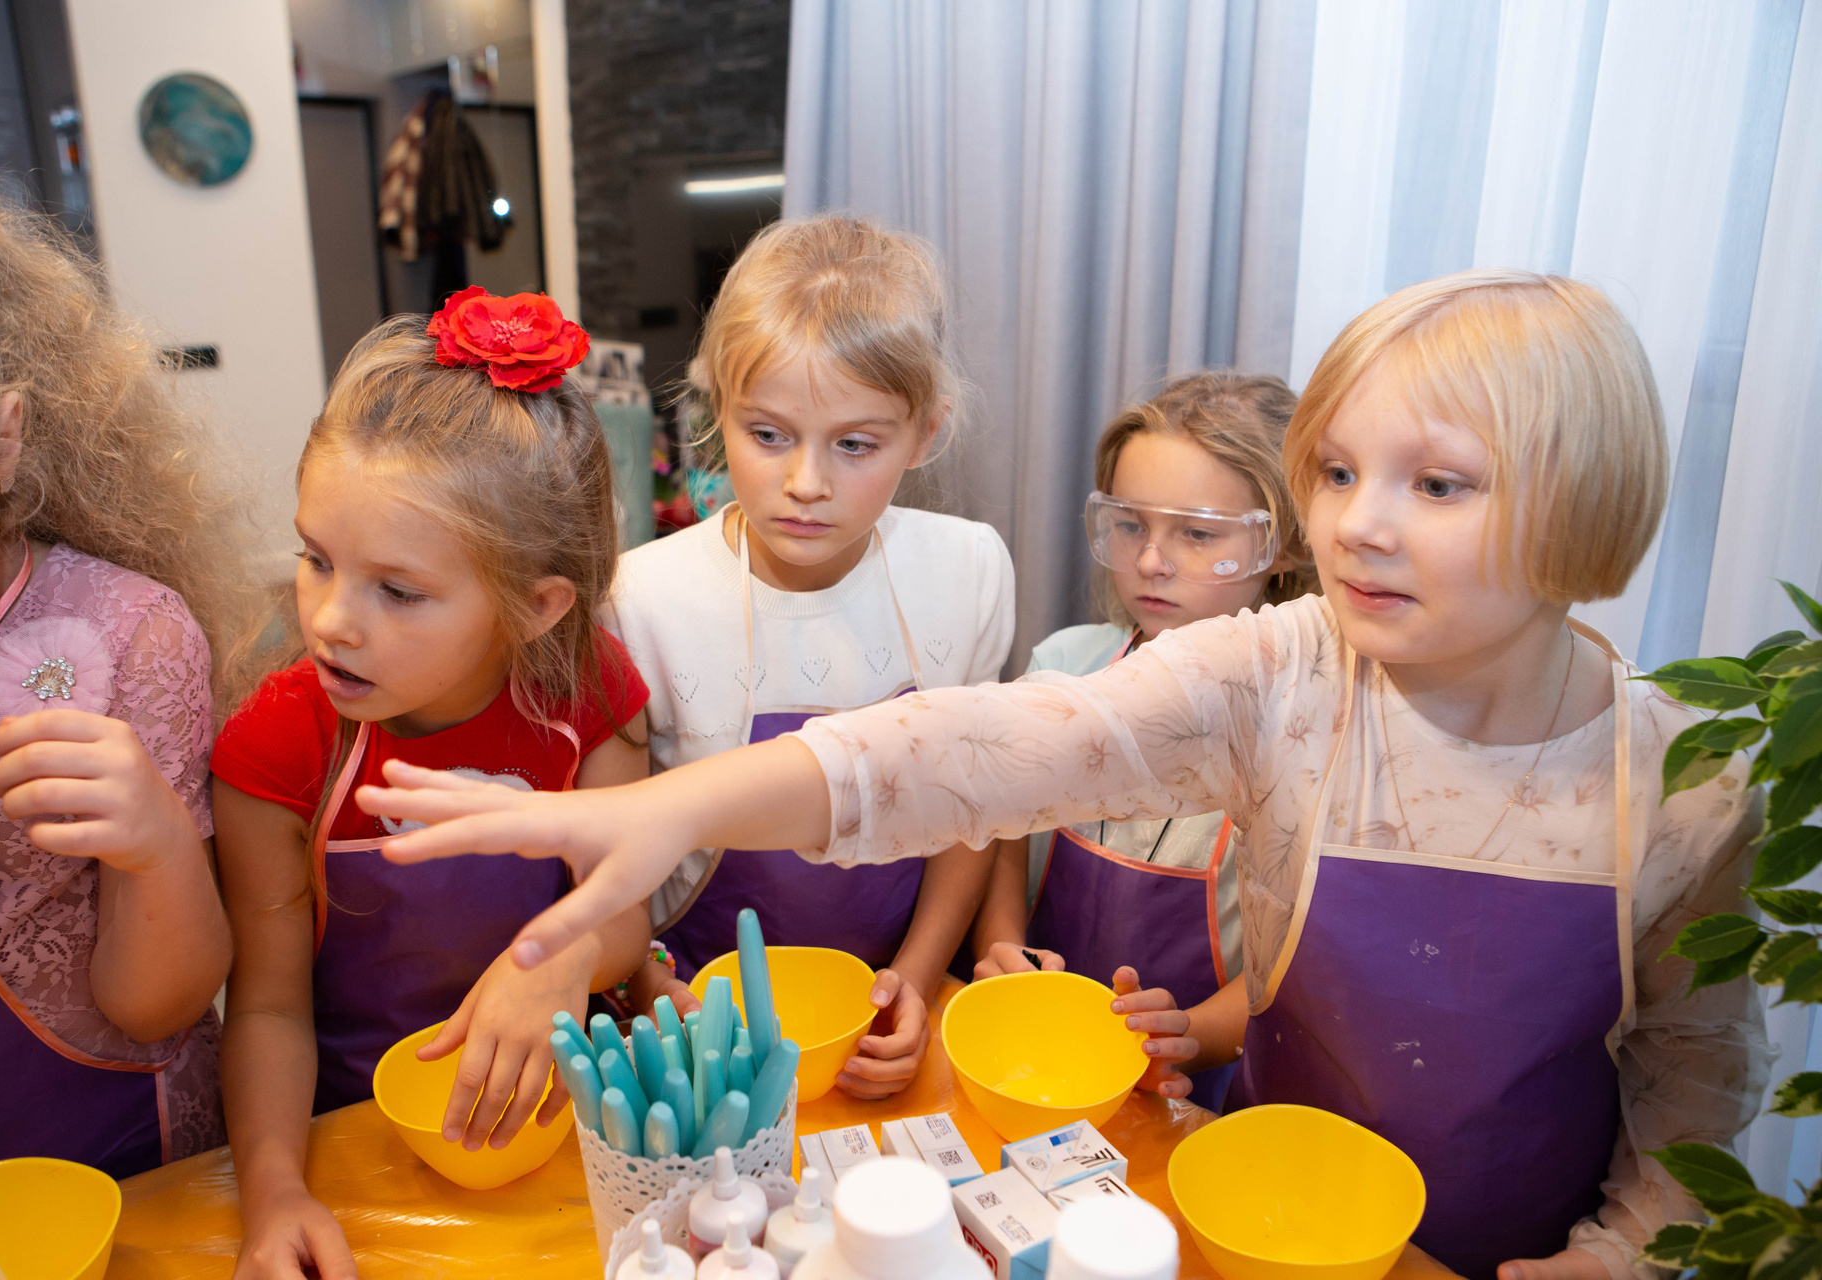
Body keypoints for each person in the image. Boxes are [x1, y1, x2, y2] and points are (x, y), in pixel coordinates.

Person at [361, 270, 1768, 1280]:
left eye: (1436, 484)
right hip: (1260, 1229)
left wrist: (1627, 1252)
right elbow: (984, 747)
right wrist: (673, 802)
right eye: (1337, 473)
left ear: (1583, 501)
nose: (1358, 526)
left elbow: (1696, 1070)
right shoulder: (1281, 675)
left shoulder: (1686, 779)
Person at [210, 291, 653, 1280]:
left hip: (555, 1121)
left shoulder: (586, 693)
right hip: (349, 1135)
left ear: (536, 606)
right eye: (315, 559)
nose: (331, 620)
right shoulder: (276, 744)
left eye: (397, 590)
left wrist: (567, 954)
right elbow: (269, 1005)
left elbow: (626, 906)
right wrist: (276, 1192)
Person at [0, 119, 262, 1189]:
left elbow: (161, 1003)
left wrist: (154, 845)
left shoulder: (121, 636)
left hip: (127, 1166)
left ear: (2, 440)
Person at [605, 215, 1014, 1100]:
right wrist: (648, 985)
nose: (806, 484)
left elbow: (969, 811)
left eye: (855, 445)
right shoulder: (641, 599)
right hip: (697, 1018)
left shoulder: (968, 571)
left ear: (926, 432)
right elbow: (614, 845)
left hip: (886, 1004)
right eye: (768, 434)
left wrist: (915, 978)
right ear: (718, 411)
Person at [970, 371, 1314, 1111]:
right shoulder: (1065, 665)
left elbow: (1293, 960)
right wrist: (1000, 944)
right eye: (1130, 526)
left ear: (1281, 545)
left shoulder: (1302, 730)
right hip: (1039, 1052)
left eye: (1197, 533)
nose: (1153, 561)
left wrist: (1188, 1034)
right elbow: (1006, 837)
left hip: (1197, 1085)